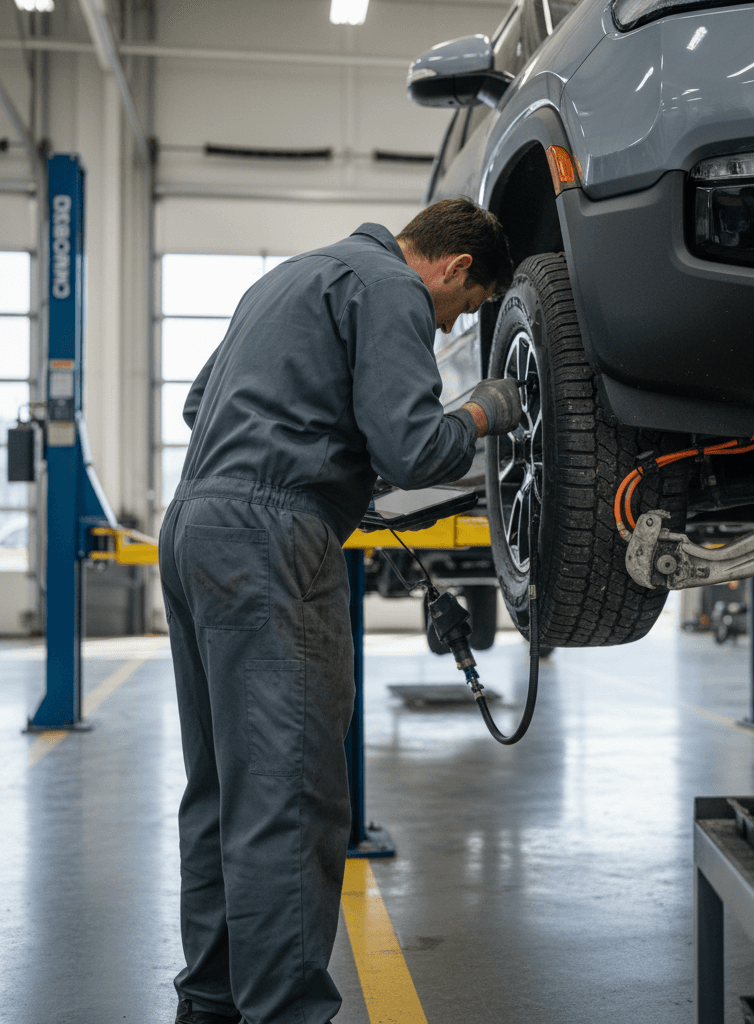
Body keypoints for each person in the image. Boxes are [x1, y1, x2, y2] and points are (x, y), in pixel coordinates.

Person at [158, 198, 520, 1024]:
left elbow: (198, 404)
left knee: (221, 790)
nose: (452, 317)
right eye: (461, 308)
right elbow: (415, 447)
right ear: (456, 269)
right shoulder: (392, 288)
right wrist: (484, 411)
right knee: (289, 794)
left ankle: (210, 1005)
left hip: (194, 526)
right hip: (271, 539)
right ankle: (284, 1013)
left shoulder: (289, 276)